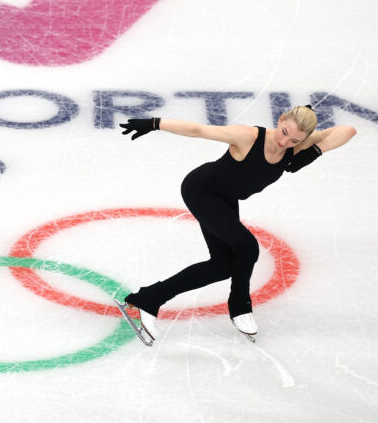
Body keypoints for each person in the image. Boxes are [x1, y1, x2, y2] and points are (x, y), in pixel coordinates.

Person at [117, 106, 356, 343]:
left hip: (225, 200)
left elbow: (348, 130)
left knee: (223, 266)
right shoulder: (247, 136)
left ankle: (147, 299)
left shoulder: (297, 145)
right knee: (247, 247)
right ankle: (240, 306)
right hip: (202, 191)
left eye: (295, 140)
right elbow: (197, 129)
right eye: (283, 132)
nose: (284, 142)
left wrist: (314, 150)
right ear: (281, 118)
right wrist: (154, 123)